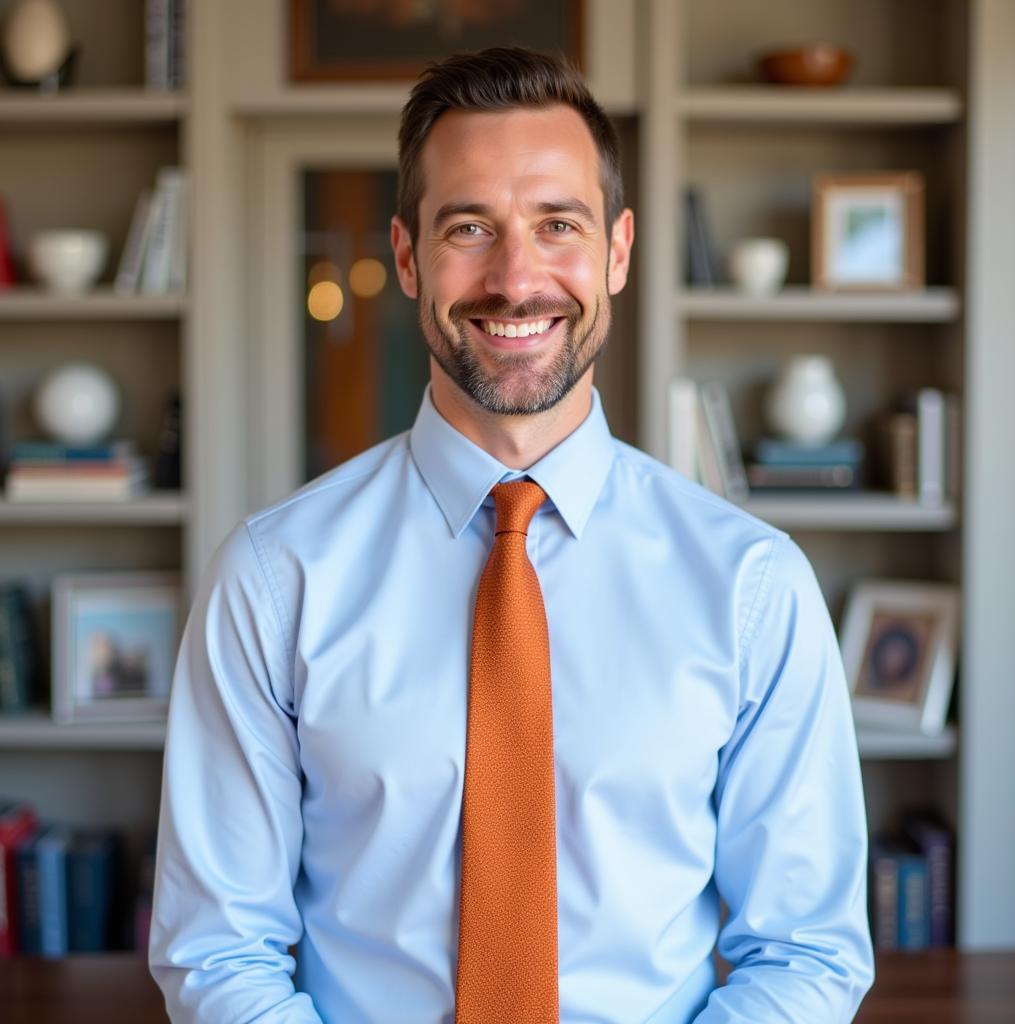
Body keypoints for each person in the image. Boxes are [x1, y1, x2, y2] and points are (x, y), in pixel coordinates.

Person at [149, 47, 873, 1023]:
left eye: (556, 224)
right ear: (406, 256)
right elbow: (218, 948)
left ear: (617, 250)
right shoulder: (274, 579)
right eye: (469, 227)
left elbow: (806, 949)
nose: (515, 276)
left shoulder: (751, 586)